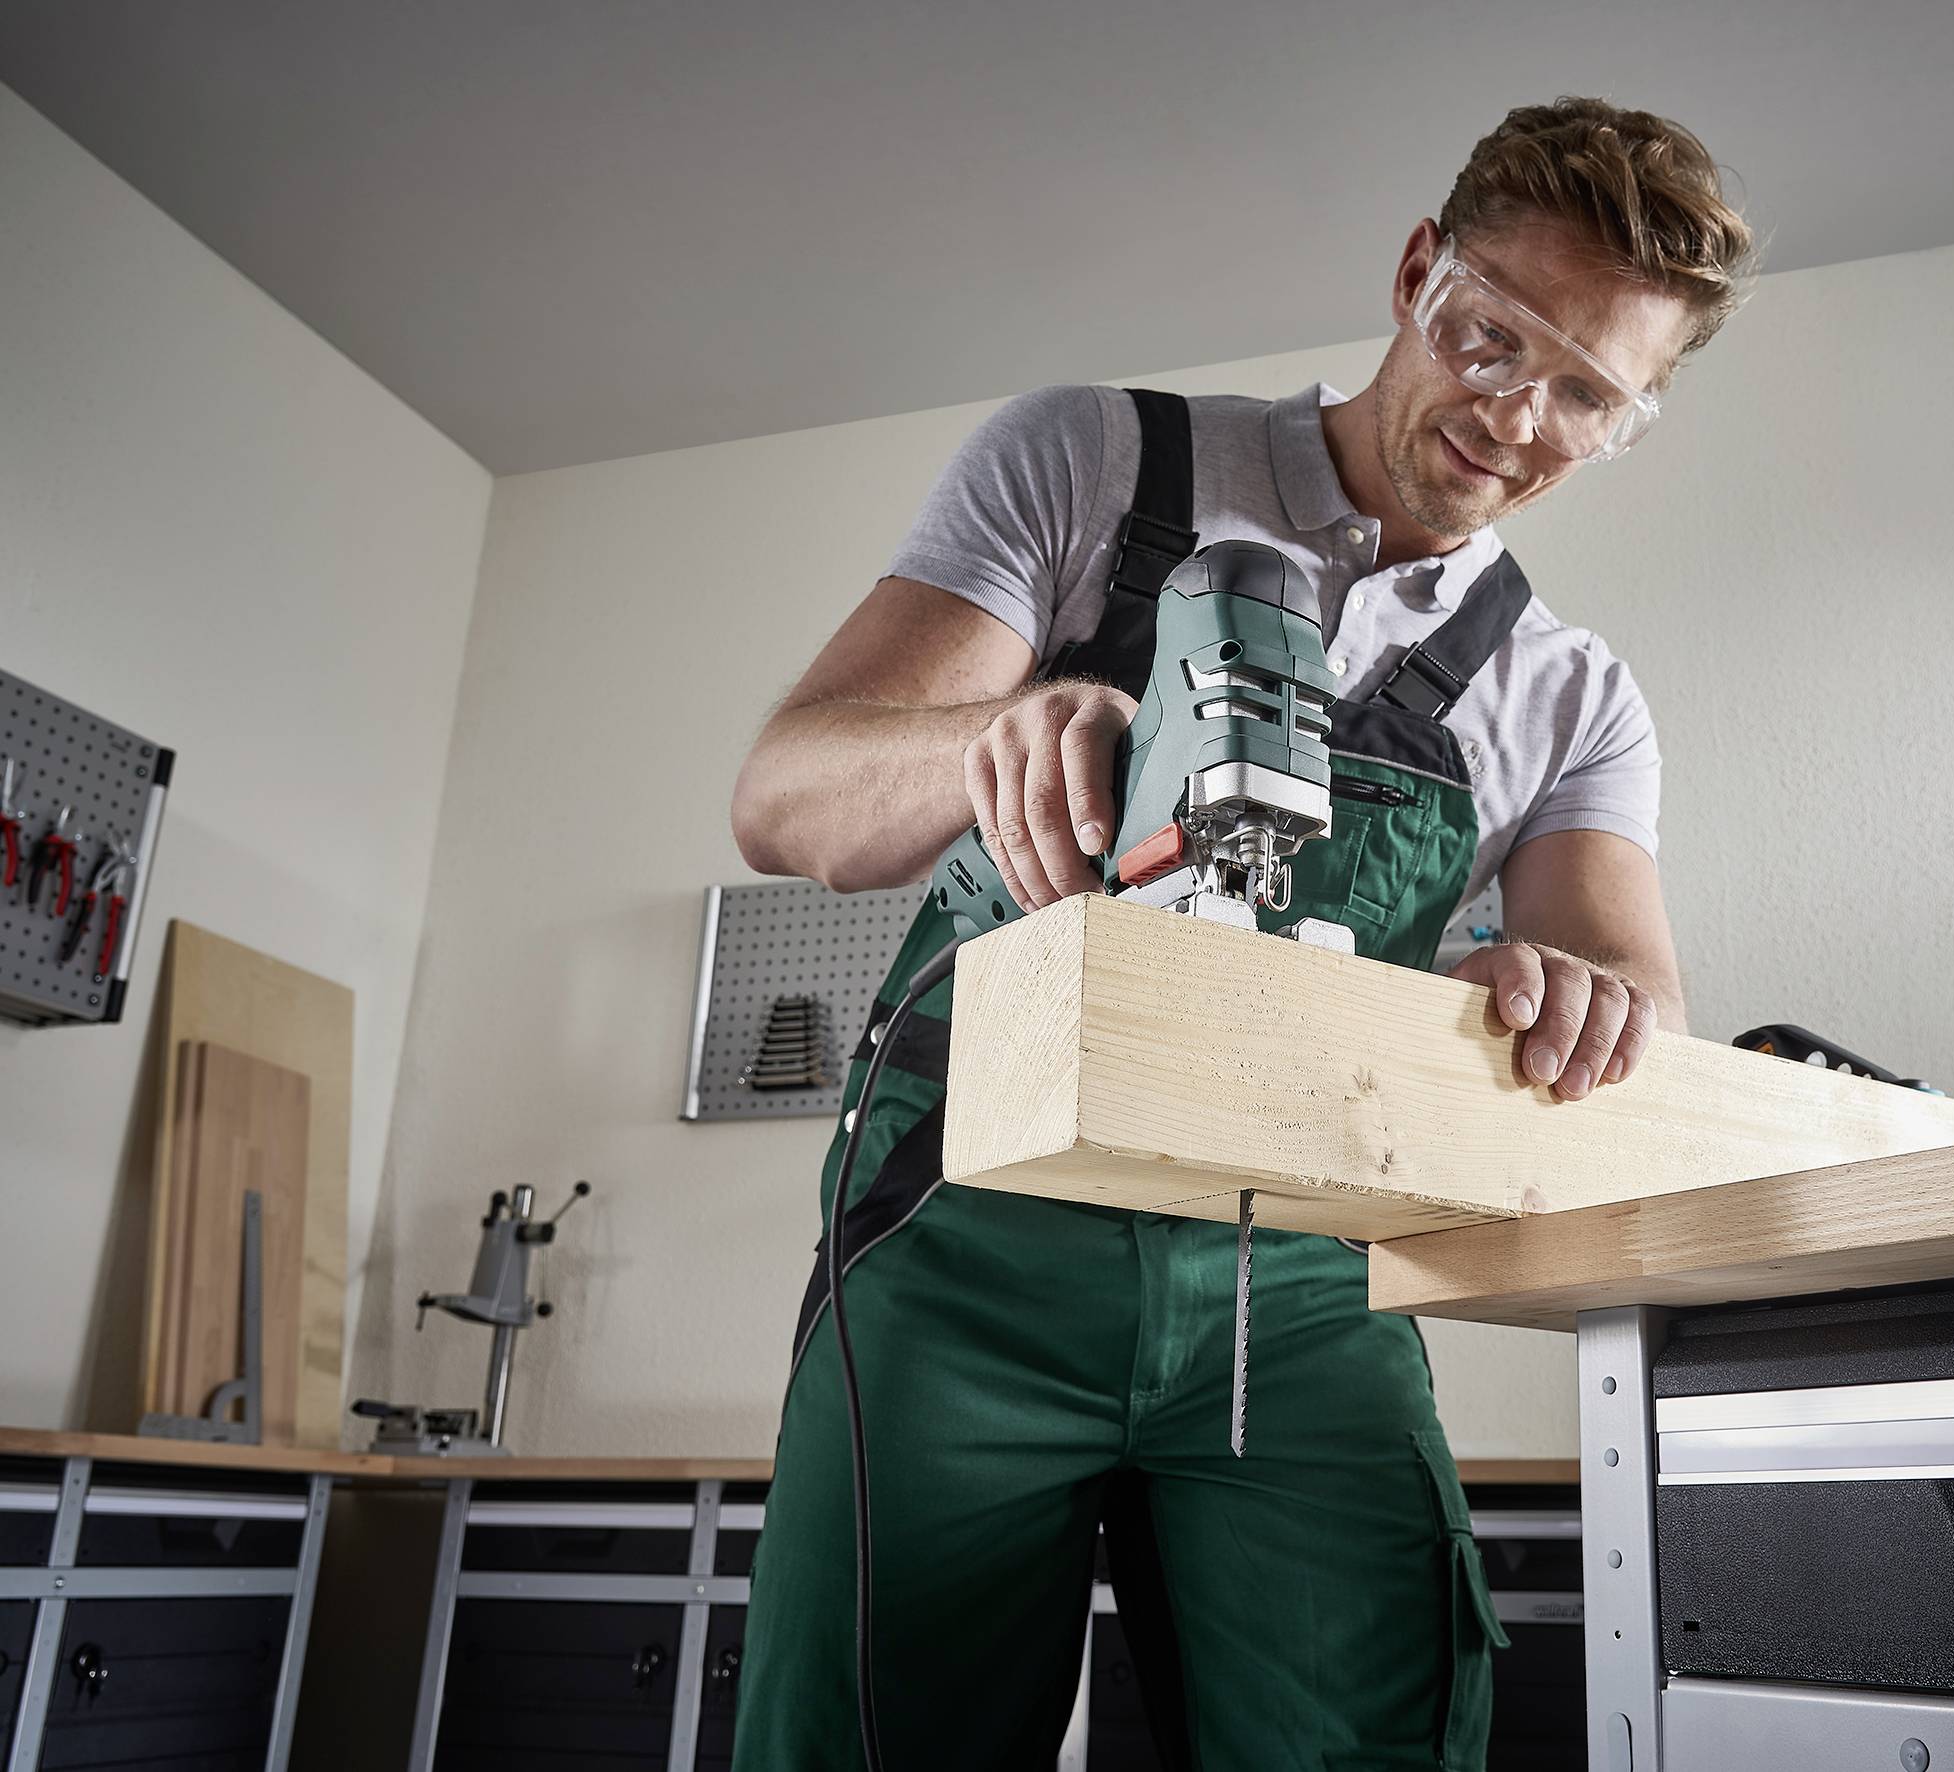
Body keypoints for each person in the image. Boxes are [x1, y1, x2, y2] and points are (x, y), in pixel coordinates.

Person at [726, 95, 1753, 1770]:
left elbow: (1627, 985)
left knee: (1369, 1729)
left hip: (1305, 1286)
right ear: (1418, 273)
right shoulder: (1096, 464)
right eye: (1492, 337)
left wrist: (1565, 989)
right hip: (963, 1244)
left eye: (1588, 395)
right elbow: (786, 799)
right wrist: (988, 739)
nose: (1516, 415)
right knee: (866, 1727)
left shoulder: (1566, 695)